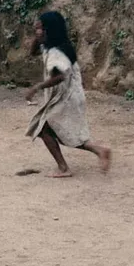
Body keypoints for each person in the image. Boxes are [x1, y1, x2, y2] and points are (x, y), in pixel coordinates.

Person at [24, 10, 112, 178]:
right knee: (63, 132)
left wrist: (36, 87)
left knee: (44, 129)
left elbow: (59, 77)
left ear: (50, 30)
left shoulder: (57, 52)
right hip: (69, 95)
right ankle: (100, 151)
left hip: (66, 98)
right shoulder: (54, 45)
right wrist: (39, 34)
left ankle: (64, 168)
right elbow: (33, 51)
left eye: (41, 28)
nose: (37, 31)